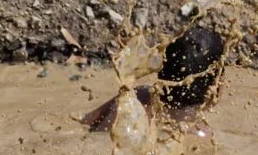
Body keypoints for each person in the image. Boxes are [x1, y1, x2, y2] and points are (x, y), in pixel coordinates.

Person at [80, 25, 225, 133]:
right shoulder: (199, 135)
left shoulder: (136, 98)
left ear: (162, 68)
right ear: (215, 88)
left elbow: (84, 122)